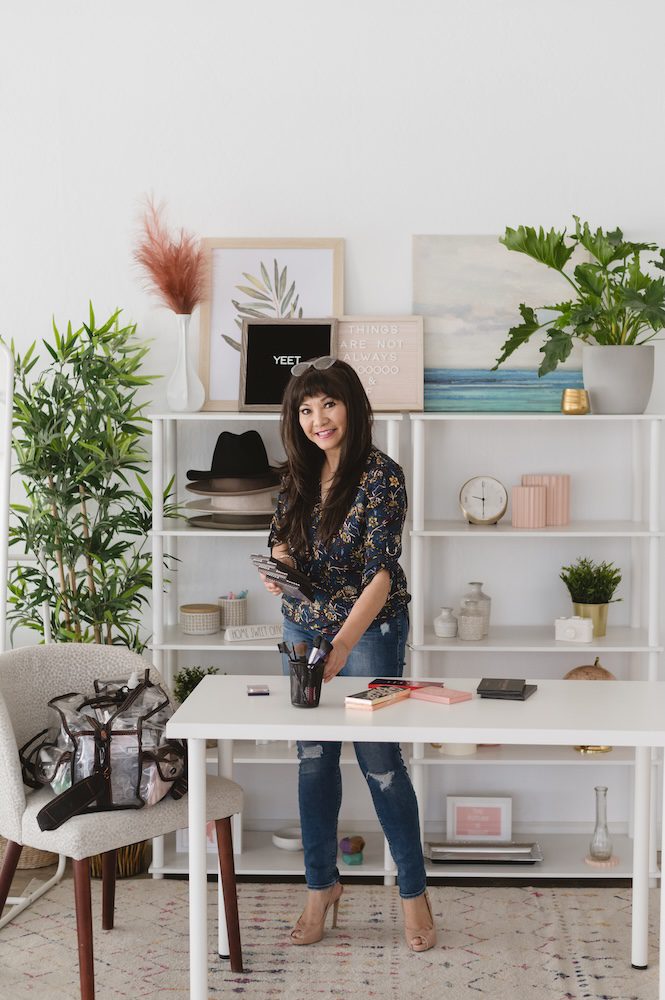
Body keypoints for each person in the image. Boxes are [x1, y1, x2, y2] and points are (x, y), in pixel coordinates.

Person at [261, 356, 436, 952]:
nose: (318, 419)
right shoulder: (298, 476)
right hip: (302, 626)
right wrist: (278, 574)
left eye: (328, 404)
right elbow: (283, 545)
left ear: (352, 406)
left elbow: (381, 575)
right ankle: (320, 889)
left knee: (380, 760)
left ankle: (412, 892)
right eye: (306, 410)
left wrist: (341, 645)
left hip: (370, 629)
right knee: (313, 757)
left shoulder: (382, 475)